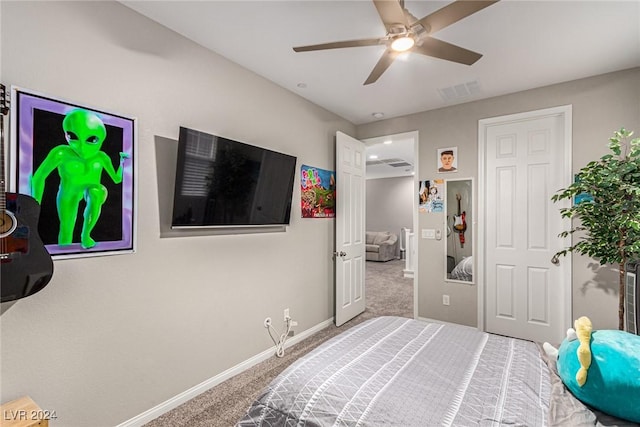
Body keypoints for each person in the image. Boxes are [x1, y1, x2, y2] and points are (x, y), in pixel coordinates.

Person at [31, 109, 129, 249]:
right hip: (68, 192)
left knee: (95, 192)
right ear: (66, 134)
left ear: (101, 139)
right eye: (73, 136)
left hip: (93, 189)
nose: (82, 147)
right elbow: (38, 178)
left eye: (92, 140)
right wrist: (34, 206)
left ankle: (86, 235)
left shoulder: (101, 157)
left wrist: (122, 163)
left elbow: (117, 179)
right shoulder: (61, 153)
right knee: (66, 230)